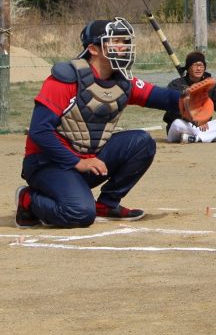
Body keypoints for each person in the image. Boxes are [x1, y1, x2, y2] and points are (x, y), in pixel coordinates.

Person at [15, 18, 181, 228]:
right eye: (116, 41)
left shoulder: (122, 81)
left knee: (142, 142)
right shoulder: (66, 78)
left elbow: (162, 97)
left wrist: (188, 100)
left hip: (87, 159)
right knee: (80, 213)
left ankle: (107, 204)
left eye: (125, 41)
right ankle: (27, 199)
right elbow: (39, 132)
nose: (124, 47)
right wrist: (78, 162)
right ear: (93, 48)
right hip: (48, 164)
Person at [165, 51, 216, 143]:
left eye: (201, 65)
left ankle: (195, 139)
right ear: (188, 67)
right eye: (195, 65)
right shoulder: (176, 85)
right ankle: (210, 137)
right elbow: (173, 110)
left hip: (203, 126)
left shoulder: (209, 85)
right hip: (183, 126)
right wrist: (195, 120)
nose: (198, 68)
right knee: (177, 124)